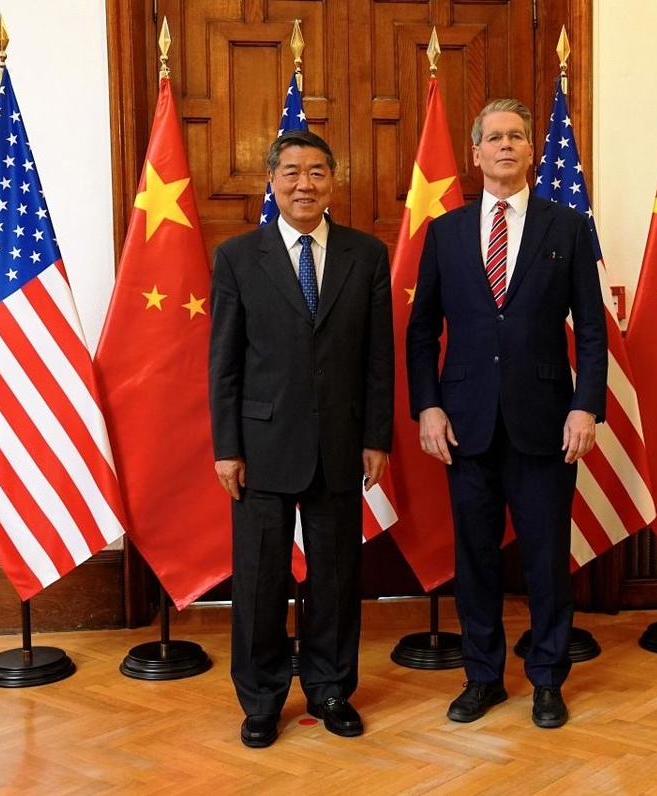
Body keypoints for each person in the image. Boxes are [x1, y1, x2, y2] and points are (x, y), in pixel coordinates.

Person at [405, 99, 607, 729]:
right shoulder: (444, 232)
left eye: (516, 136)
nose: (505, 146)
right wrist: (428, 407)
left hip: (546, 420)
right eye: (493, 137)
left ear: (531, 151)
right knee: (477, 559)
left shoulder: (567, 228)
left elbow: (594, 333)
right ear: (475, 153)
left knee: (547, 559)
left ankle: (547, 680)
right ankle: (483, 677)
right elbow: (420, 334)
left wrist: (586, 408)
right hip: (463, 423)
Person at [208, 129, 394, 748]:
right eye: (291, 172)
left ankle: (332, 689)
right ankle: (261, 700)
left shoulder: (365, 256)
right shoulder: (238, 257)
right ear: (271, 181)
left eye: (316, 172)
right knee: (259, 579)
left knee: (336, 577)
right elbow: (225, 363)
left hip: (342, 443)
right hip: (260, 447)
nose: (303, 184)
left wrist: (377, 437)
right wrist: (226, 448)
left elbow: (377, 360)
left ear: (332, 181)